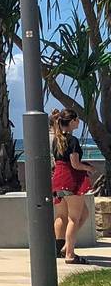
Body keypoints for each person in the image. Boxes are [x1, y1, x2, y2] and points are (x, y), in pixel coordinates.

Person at [51, 108, 96, 264]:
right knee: (74, 218)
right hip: (70, 181)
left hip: (58, 179)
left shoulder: (56, 140)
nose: (78, 122)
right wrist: (88, 168)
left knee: (64, 216)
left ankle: (60, 248)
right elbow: (75, 164)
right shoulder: (72, 141)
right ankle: (69, 253)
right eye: (76, 119)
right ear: (71, 122)